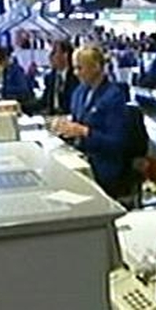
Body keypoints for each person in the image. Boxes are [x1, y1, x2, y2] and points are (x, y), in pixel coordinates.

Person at [51, 47, 137, 198]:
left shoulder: (114, 97)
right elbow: (78, 121)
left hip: (103, 165)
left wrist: (85, 132)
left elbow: (117, 143)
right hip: (81, 156)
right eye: (74, 68)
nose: (76, 73)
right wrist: (64, 127)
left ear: (96, 67)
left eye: (80, 68)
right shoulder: (79, 92)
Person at [39, 40, 79, 115]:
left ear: (65, 55)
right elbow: (44, 101)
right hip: (52, 117)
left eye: (54, 52)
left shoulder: (77, 77)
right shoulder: (51, 76)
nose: (50, 56)